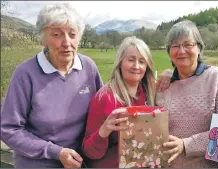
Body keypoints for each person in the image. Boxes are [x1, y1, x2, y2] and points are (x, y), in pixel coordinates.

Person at [0, 3, 103, 168]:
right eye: (56, 34)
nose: (66, 42)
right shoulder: (25, 74)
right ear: (43, 40)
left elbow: (103, 109)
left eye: (72, 34)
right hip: (37, 163)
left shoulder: (88, 67)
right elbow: (8, 129)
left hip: (80, 162)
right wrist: (56, 152)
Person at [156, 20, 218, 168]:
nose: (181, 51)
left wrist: (186, 145)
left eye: (188, 44)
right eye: (175, 46)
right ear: (169, 51)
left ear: (199, 48)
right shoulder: (164, 85)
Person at [82, 36, 156, 168]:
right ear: (120, 62)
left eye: (142, 61)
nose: (136, 66)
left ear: (147, 66)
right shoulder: (105, 98)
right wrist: (103, 131)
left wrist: (168, 74)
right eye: (131, 60)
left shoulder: (150, 93)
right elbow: (89, 152)